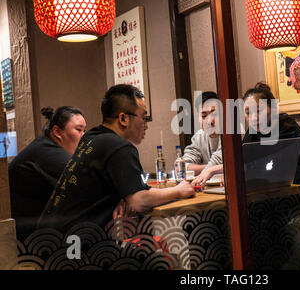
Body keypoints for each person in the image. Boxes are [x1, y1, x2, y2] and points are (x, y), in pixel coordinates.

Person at [38, 84, 194, 233]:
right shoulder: (119, 147)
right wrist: (178, 191)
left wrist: (121, 197)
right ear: (123, 119)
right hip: (74, 248)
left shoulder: (91, 137)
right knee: (159, 259)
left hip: (47, 240)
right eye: (143, 118)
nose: (146, 125)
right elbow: (139, 200)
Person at [9, 106, 87, 239]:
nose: (84, 136)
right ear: (57, 132)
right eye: (78, 130)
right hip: (26, 237)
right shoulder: (48, 152)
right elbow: (87, 182)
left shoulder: (46, 146)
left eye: (85, 131)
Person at [242, 82, 300, 186]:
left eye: (258, 110)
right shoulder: (252, 131)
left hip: (296, 190)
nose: (253, 117)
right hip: (263, 188)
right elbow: (243, 160)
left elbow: (272, 165)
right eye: (248, 112)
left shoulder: (288, 127)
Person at [183, 91, 223, 186]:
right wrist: (211, 169)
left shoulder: (231, 134)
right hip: (207, 188)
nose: (209, 121)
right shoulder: (199, 136)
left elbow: (217, 160)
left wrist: (211, 169)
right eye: (204, 116)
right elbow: (184, 166)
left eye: (214, 114)